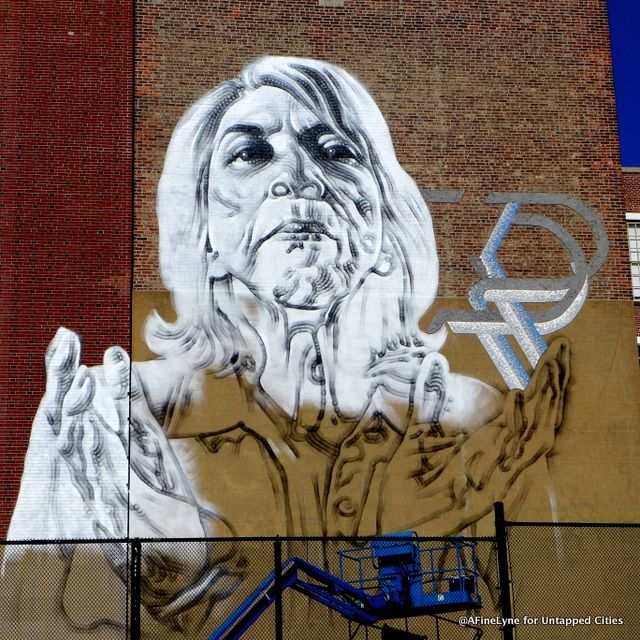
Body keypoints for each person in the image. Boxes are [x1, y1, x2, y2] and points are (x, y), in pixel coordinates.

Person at [5, 56, 568, 638]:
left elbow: (566, 618)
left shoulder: (479, 429)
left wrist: (417, 553)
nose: (297, 176)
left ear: (382, 221)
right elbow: (30, 627)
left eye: (335, 150)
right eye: (249, 154)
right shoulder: (107, 423)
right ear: (203, 230)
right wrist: (182, 595)